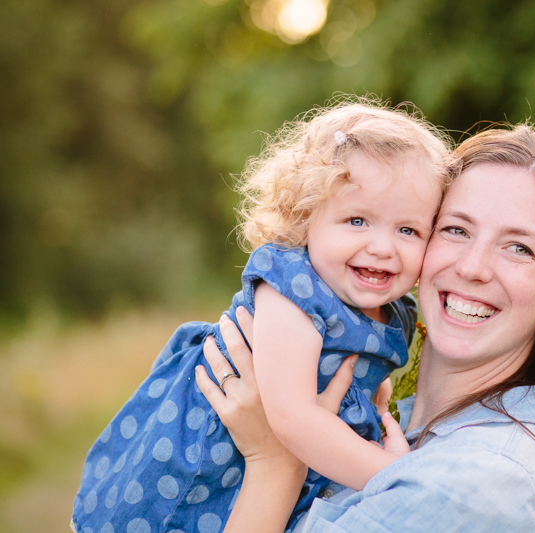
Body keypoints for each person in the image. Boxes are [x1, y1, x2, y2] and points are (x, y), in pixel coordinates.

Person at [198, 124, 535, 533]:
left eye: (518, 248)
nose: (473, 267)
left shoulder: (481, 485)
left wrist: (275, 463)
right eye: (455, 230)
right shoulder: (392, 416)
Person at [71, 98, 453, 533]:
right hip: (210, 456)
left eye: (408, 230)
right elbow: (291, 416)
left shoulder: (397, 309)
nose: (383, 246)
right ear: (305, 218)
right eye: (357, 220)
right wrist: (392, 476)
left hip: (299, 460)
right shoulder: (292, 286)